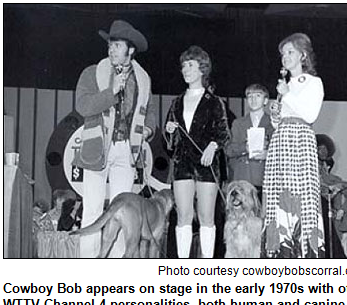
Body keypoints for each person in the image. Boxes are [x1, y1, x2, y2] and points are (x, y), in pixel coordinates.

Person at [74, 20, 156, 258]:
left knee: (123, 213)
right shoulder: (92, 73)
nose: (111, 49)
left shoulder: (143, 79)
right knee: (92, 211)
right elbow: (83, 105)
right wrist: (111, 93)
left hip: (126, 152)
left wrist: (148, 130)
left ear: (130, 50)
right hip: (97, 149)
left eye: (117, 45)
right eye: (110, 45)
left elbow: (149, 112)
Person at [262, 33, 325, 258]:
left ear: (303, 55)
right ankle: (280, 251)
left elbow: (309, 114)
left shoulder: (313, 83)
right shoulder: (285, 85)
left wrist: (287, 96)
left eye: (290, 52)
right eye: (282, 54)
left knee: (301, 196)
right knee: (278, 196)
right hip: (281, 142)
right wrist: (275, 114)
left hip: (300, 143)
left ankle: (304, 253)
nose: (284, 57)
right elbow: (281, 120)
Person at [164, 45, 230, 258]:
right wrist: (169, 130)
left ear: (202, 69)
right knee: (183, 215)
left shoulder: (215, 102)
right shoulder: (176, 102)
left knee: (206, 217)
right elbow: (169, 143)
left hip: (206, 164)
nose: (185, 70)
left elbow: (223, 134)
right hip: (182, 164)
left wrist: (212, 147)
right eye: (183, 66)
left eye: (190, 65)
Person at [226, 84, 274, 203]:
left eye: (258, 96)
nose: (253, 100)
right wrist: (245, 148)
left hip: (265, 178)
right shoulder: (237, 123)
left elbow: (281, 152)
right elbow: (228, 150)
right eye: (250, 96)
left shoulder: (274, 124)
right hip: (242, 179)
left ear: (266, 100)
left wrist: (268, 154)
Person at [317, 134, 347, 257]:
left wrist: (342, 210)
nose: (323, 152)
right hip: (320, 211)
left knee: (334, 244)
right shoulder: (313, 170)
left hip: (334, 216)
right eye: (320, 149)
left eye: (325, 149)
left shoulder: (335, 179)